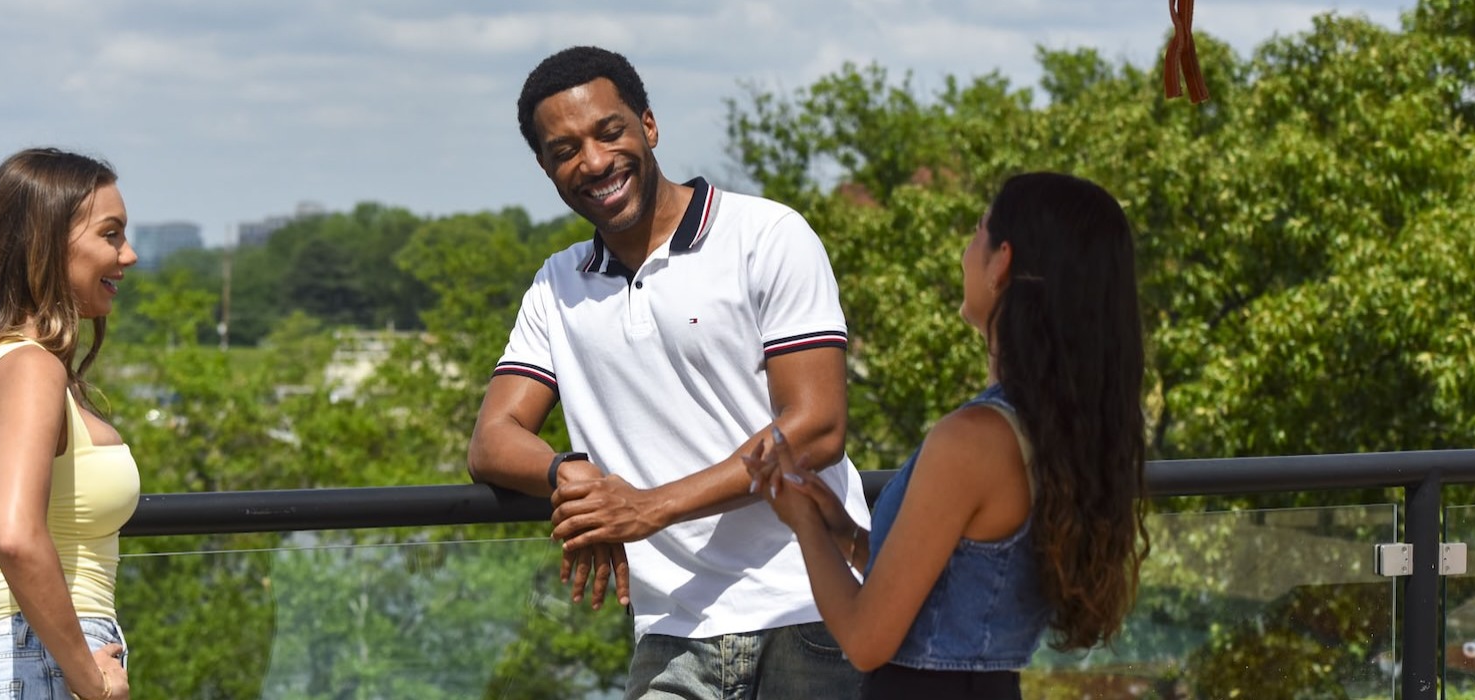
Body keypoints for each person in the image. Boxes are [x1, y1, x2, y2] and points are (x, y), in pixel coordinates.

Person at [467, 46, 868, 699]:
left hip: (813, 613)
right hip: (672, 634)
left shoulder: (766, 235)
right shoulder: (556, 286)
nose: (594, 161)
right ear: (545, 167)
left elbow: (817, 429)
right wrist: (572, 475)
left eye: (610, 131)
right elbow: (492, 439)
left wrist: (647, 508)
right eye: (565, 150)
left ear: (648, 127)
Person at [746, 172, 1150, 699]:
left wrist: (799, 521)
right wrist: (843, 533)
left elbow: (867, 640)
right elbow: (957, 586)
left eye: (977, 232)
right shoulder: (1053, 428)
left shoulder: (975, 439)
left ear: (1002, 261)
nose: (965, 253)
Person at [0, 147, 139, 700]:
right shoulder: (32, 368)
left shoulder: (2, 362)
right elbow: (14, 537)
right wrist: (91, 682)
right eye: (111, 234)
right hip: (44, 667)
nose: (128, 256)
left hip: (28, 662)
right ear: (47, 244)